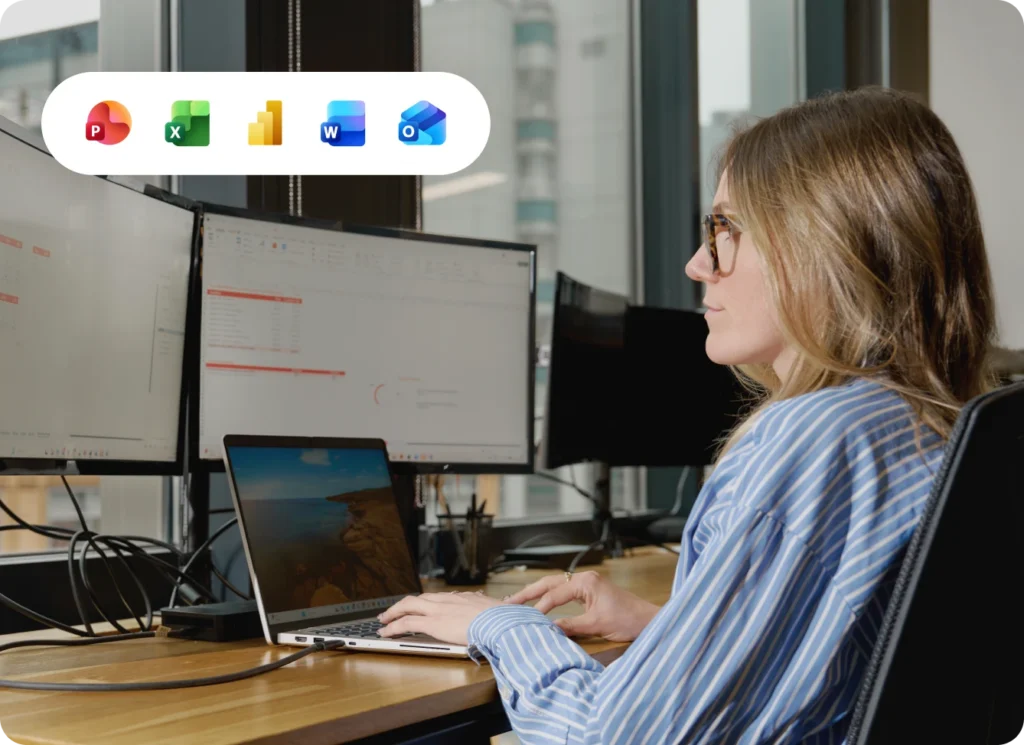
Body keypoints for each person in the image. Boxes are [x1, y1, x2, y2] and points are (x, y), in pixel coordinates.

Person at [378, 87, 997, 744]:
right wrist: (670, 628)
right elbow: (850, 663)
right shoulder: (924, 425)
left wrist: (496, 623)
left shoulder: (814, 440)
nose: (698, 263)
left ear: (825, 247)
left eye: (724, 229)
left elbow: (611, 737)